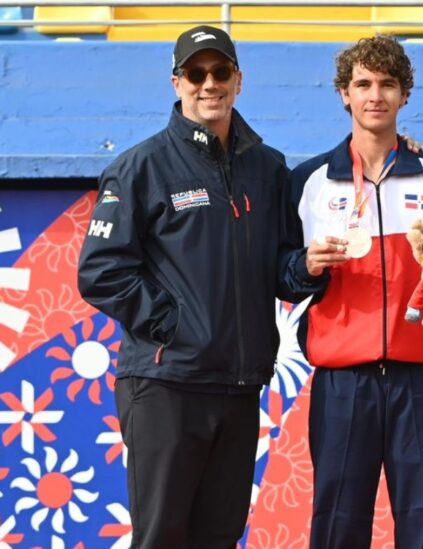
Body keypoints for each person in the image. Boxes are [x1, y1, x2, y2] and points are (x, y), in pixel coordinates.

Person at [77, 26, 293, 547]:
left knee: (218, 539)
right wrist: (174, 326)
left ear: (239, 80)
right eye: (196, 74)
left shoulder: (269, 168)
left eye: (220, 72)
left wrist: (307, 269)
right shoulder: (139, 167)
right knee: (162, 538)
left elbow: (284, 260)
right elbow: (100, 271)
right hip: (166, 385)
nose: (209, 84)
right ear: (177, 82)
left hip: (240, 388)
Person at [278, 35, 423, 548]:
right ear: (344, 94)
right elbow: (278, 273)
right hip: (342, 382)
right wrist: (305, 265)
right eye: (363, 84)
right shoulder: (309, 182)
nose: (375, 95)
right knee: (338, 523)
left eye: (387, 84)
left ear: (404, 95)